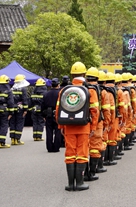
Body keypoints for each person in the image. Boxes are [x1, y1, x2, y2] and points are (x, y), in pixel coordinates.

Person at [56, 61, 99, 192]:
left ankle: (70, 184)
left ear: (72, 75)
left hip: (68, 127)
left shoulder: (64, 90)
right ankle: (79, 183)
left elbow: (58, 110)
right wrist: (93, 128)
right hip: (84, 127)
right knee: (82, 153)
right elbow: (95, 111)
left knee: (70, 153)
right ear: (84, 74)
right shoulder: (89, 90)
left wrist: (61, 127)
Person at [0, 74, 15, 149]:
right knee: (3, 126)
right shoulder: (8, 90)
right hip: (4, 111)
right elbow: (11, 102)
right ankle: (1, 142)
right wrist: (11, 112)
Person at [42, 78, 62, 153]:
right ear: (58, 85)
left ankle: (49, 147)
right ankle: (56, 147)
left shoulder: (46, 94)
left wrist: (44, 115)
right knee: (58, 131)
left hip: (48, 114)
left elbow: (42, 105)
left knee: (49, 131)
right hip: (58, 113)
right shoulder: (60, 93)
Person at [9, 74, 29, 145]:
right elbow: (24, 100)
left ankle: (12, 139)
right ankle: (17, 139)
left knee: (12, 123)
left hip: (13, 108)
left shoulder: (12, 89)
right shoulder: (23, 89)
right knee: (19, 123)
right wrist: (25, 110)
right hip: (20, 109)